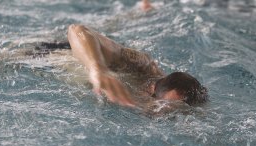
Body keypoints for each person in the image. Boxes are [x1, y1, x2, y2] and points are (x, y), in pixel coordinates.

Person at [67, 24, 208, 108]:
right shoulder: (139, 65)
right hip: (53, 54)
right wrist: (98, 69)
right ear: (149, 89)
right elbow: (77, 30)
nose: (159, 115)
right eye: (160, 106)